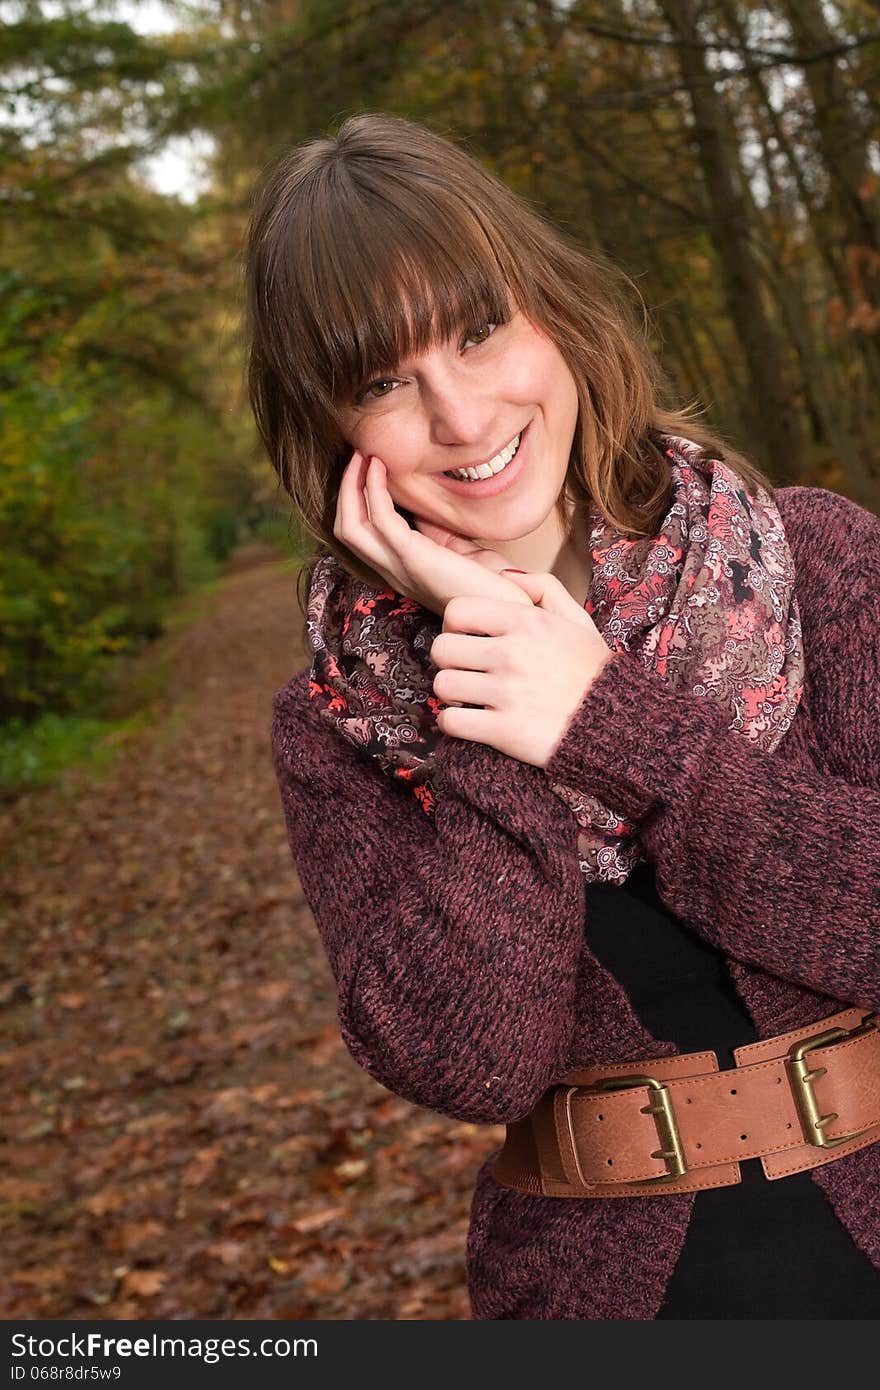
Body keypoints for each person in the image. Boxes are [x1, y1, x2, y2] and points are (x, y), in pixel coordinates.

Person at [244, 110, 880, 1319]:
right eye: (386, 380)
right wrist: (482, 677)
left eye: (480, 333)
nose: (465, 419)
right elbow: (470, 1059)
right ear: (330, 429)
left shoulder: (816, 560)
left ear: (553, 311)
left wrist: (607, 722)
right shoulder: (336, 717)